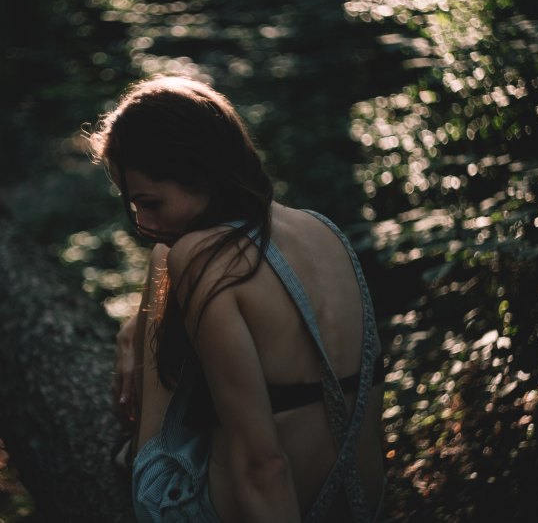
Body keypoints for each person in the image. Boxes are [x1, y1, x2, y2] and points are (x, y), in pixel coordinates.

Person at [91, 75, 385, 522]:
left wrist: (145, 324)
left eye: (150, 203)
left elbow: (263, 463)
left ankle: (135, 455)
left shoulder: (199, 256)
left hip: (268, 507)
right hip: (362, 504)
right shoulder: (323, 230)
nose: (144, 223)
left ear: (200, 174)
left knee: (161, 257)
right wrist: (137, 328)